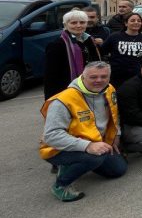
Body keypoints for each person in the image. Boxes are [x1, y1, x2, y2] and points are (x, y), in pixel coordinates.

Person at [39, 62, 127, 202]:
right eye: (93, 77)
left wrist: (117, 134)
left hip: (95, 142)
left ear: (109, 77)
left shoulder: (109, 89)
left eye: (104, 76)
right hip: (58, 149)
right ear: (83, 77)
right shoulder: (64, 100)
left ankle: (77, 164)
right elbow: (51, 136)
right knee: (95, 158)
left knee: (118, 170)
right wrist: (88, 146)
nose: (99, 80)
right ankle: (61, 185)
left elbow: (115, 115)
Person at [44, 9, 102, 99]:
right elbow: (51, 75)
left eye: (82, 22)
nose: (78, 25)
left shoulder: (90, 41)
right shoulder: (57, 45)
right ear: (65, 25)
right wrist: (51, 99)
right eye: (73, 23)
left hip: (91, 88)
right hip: (66, 91)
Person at [101, 12, 142, 88]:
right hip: (116, 76)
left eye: (139, 21)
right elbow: (102, 51)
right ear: (126, 23)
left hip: (136, 76)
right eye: (132, 20)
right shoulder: (114, 36)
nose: (136, 22)